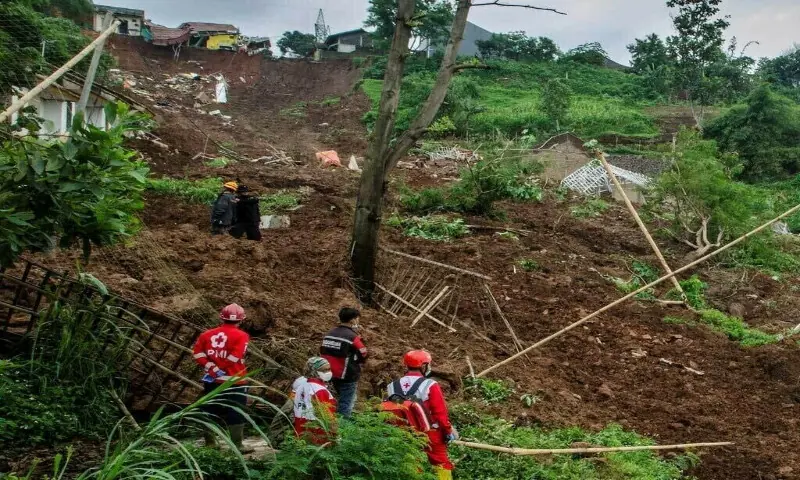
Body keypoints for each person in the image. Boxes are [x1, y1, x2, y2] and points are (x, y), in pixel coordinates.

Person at [386, 350, 458, 480]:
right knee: (441, 462)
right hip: (430, 433)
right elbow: (440, 414)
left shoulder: (392, 386)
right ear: (424, 366)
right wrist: (448, 431)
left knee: (412, 463)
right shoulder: (430, 385)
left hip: (404, 432)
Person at [192, 303, 254, 453]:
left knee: (209, 409)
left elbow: (197, 353)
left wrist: (211, 367)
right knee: (236, 410)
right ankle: (237, 445)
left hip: (213, 380)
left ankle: (210, 443)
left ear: (222, 318)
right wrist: (220, 368)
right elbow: (234, 357)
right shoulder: (242, 335)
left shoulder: (206, 334)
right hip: (235, 380)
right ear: (241, 319)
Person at [320, 307, 367, 417]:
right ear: (353, 320)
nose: (358, 321)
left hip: (328, 374)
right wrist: (358, 360)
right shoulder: (352, 337)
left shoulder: (329, 333)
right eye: (357, 319)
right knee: (346, 404)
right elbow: (363, 352)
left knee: (331, 400)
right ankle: (342, 425)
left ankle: (329, 420)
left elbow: (322, 350)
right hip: (346, 375)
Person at [292, 356, 337, 445]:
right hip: (318, 435)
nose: (328, 372)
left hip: (301, 432)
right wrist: (334, 434)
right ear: (314, 371)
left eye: (329, 369)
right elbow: (325, 415)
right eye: (324, 370)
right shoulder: (320, 390)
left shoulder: (301, 387)